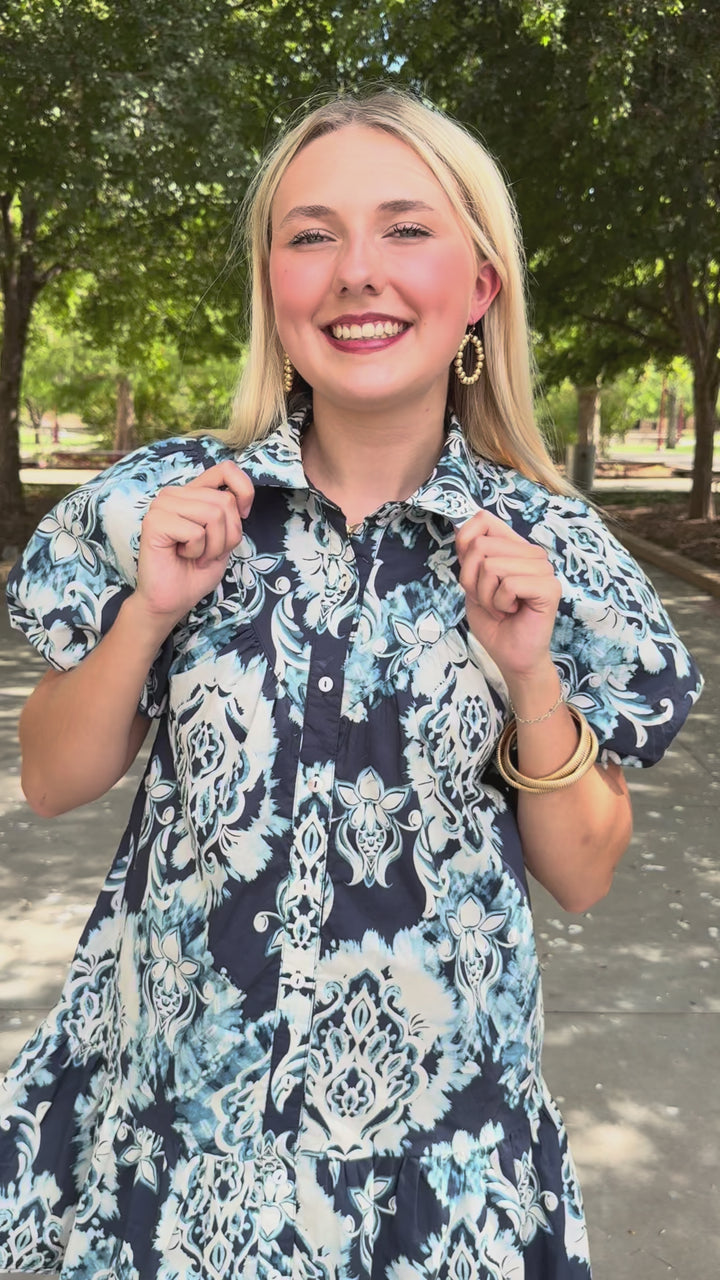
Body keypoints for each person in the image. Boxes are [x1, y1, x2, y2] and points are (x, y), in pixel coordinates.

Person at [0, 89, 702, 1280]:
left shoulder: (557, 550)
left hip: (438, 1184)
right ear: (274, 283)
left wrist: (529, 671)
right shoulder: (164, 503)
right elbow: (52, 780)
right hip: (179, 1156)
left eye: (407, 230)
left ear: (480, 286)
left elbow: (583, 872)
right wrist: (150, 613)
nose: (355, 273)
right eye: (311, 234)